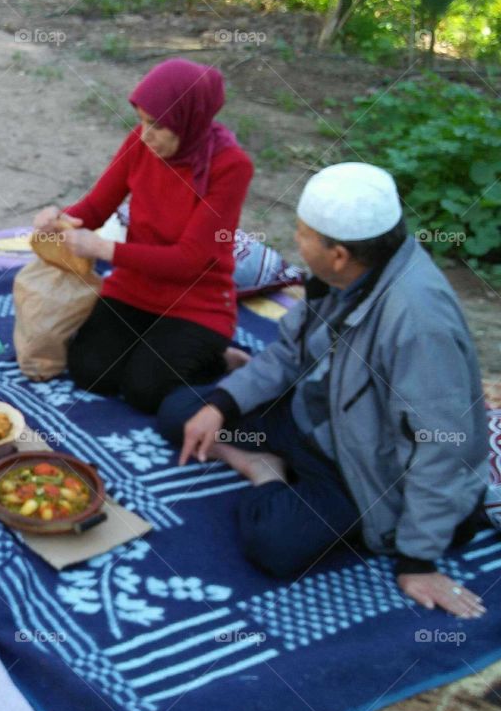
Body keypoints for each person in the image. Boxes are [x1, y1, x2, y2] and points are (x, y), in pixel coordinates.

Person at [157, 162, 490, 618]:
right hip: (314, 417)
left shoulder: (419, 325)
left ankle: (266, 474)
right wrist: (222, 403)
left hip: (364, 472)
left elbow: (442, 448)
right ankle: (256, 454)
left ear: (338, 254)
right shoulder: (347, 275)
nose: (296, 240)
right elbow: (287, 356)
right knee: (184, 412)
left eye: (303, 233)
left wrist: (418, 558)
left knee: (274, 543)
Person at [33, 57, 253, 414]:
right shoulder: (141, 141)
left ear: (190, 121)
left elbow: (190, 260)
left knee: (146, 392)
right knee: (91, 372)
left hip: (196, 300)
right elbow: (96, 205)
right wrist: (60, 217)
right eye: (141, 120)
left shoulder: (231, 167)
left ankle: (219, 359)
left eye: (157, 125)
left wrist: (104, 248)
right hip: (135, 287)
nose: (145, 133)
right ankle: (163, 350)